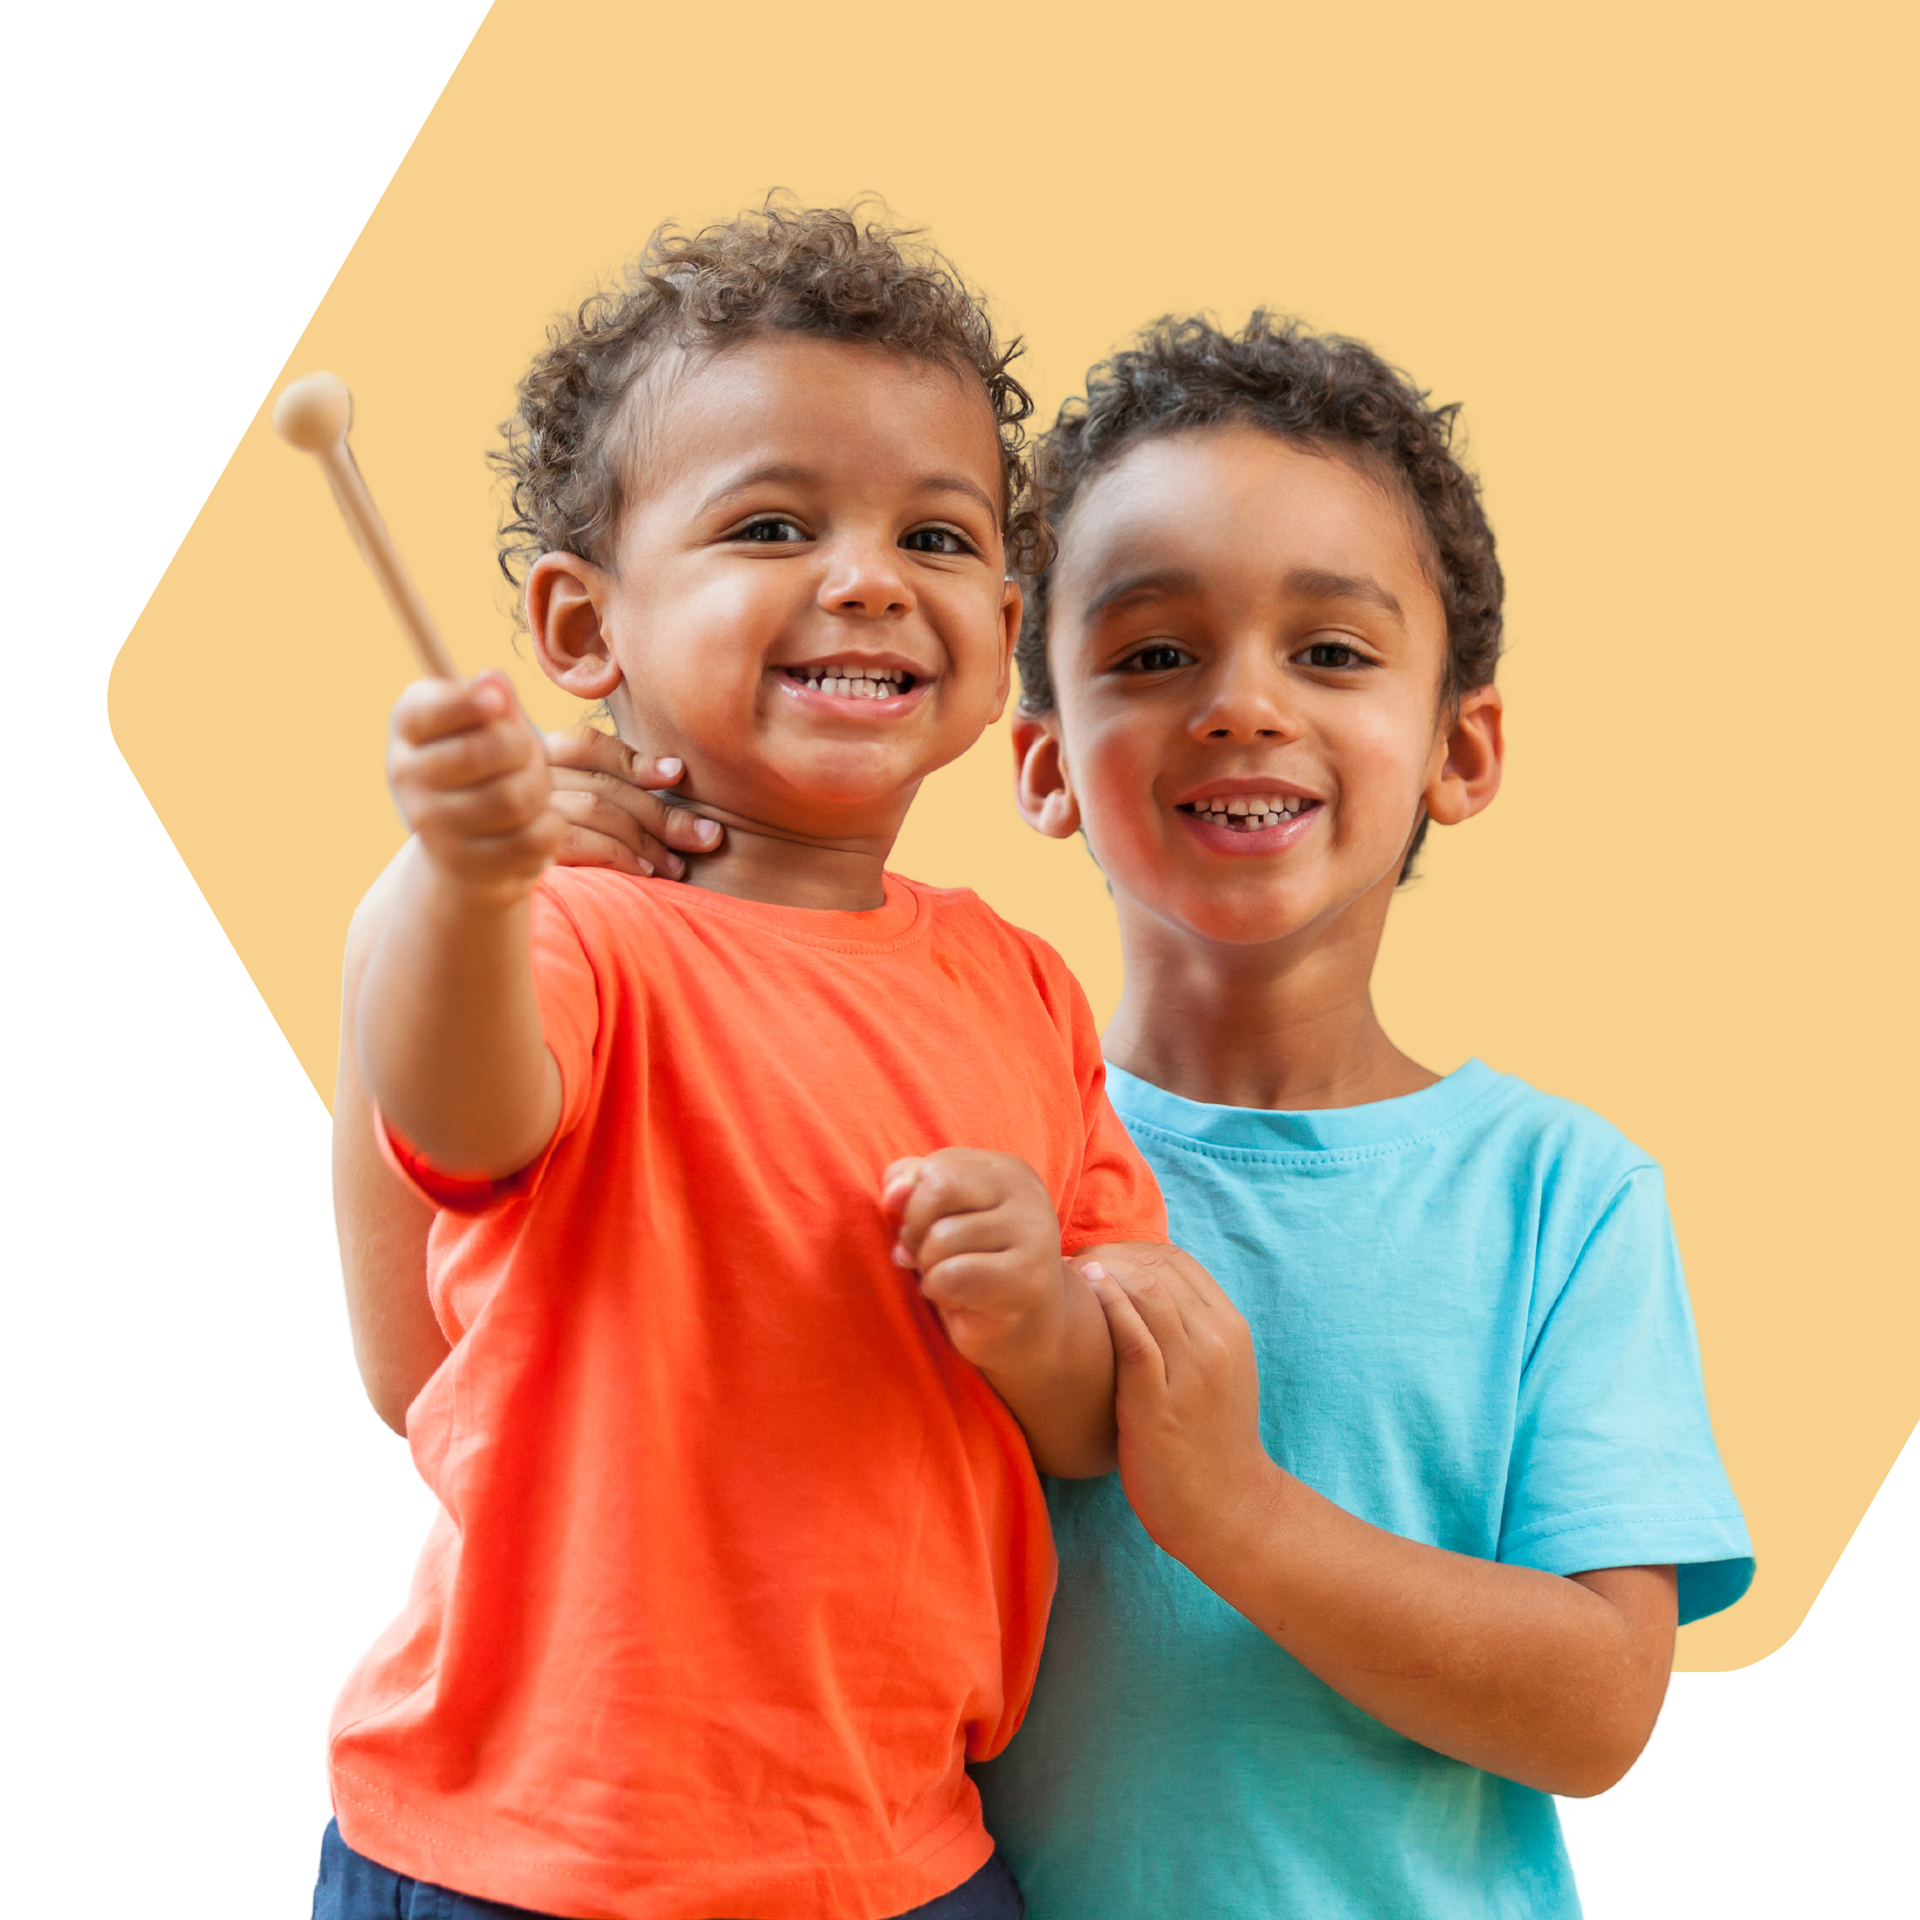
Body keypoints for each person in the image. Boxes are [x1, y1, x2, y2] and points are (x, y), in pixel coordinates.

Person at [313, 205, 1168, 1920]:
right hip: (526, 1855)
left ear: (1002, 626)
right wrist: (454, 883)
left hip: (907, 1852)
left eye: (934, 534)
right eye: (773, 523)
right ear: (579, 629)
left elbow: (1096, 1427)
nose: (867, 576)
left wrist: (1040, 1317)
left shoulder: (1023, 984)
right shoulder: (569, 933)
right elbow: (460, 1108)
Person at [968, 312, 1754, 1916]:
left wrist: (1233, 1510)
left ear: (1458, 747)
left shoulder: (1564, 1197)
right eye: (1150, 653)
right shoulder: (975, 1149)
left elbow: (1601, 1716)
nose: (1240, 704)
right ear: (1041, 763)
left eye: (1329, 651)